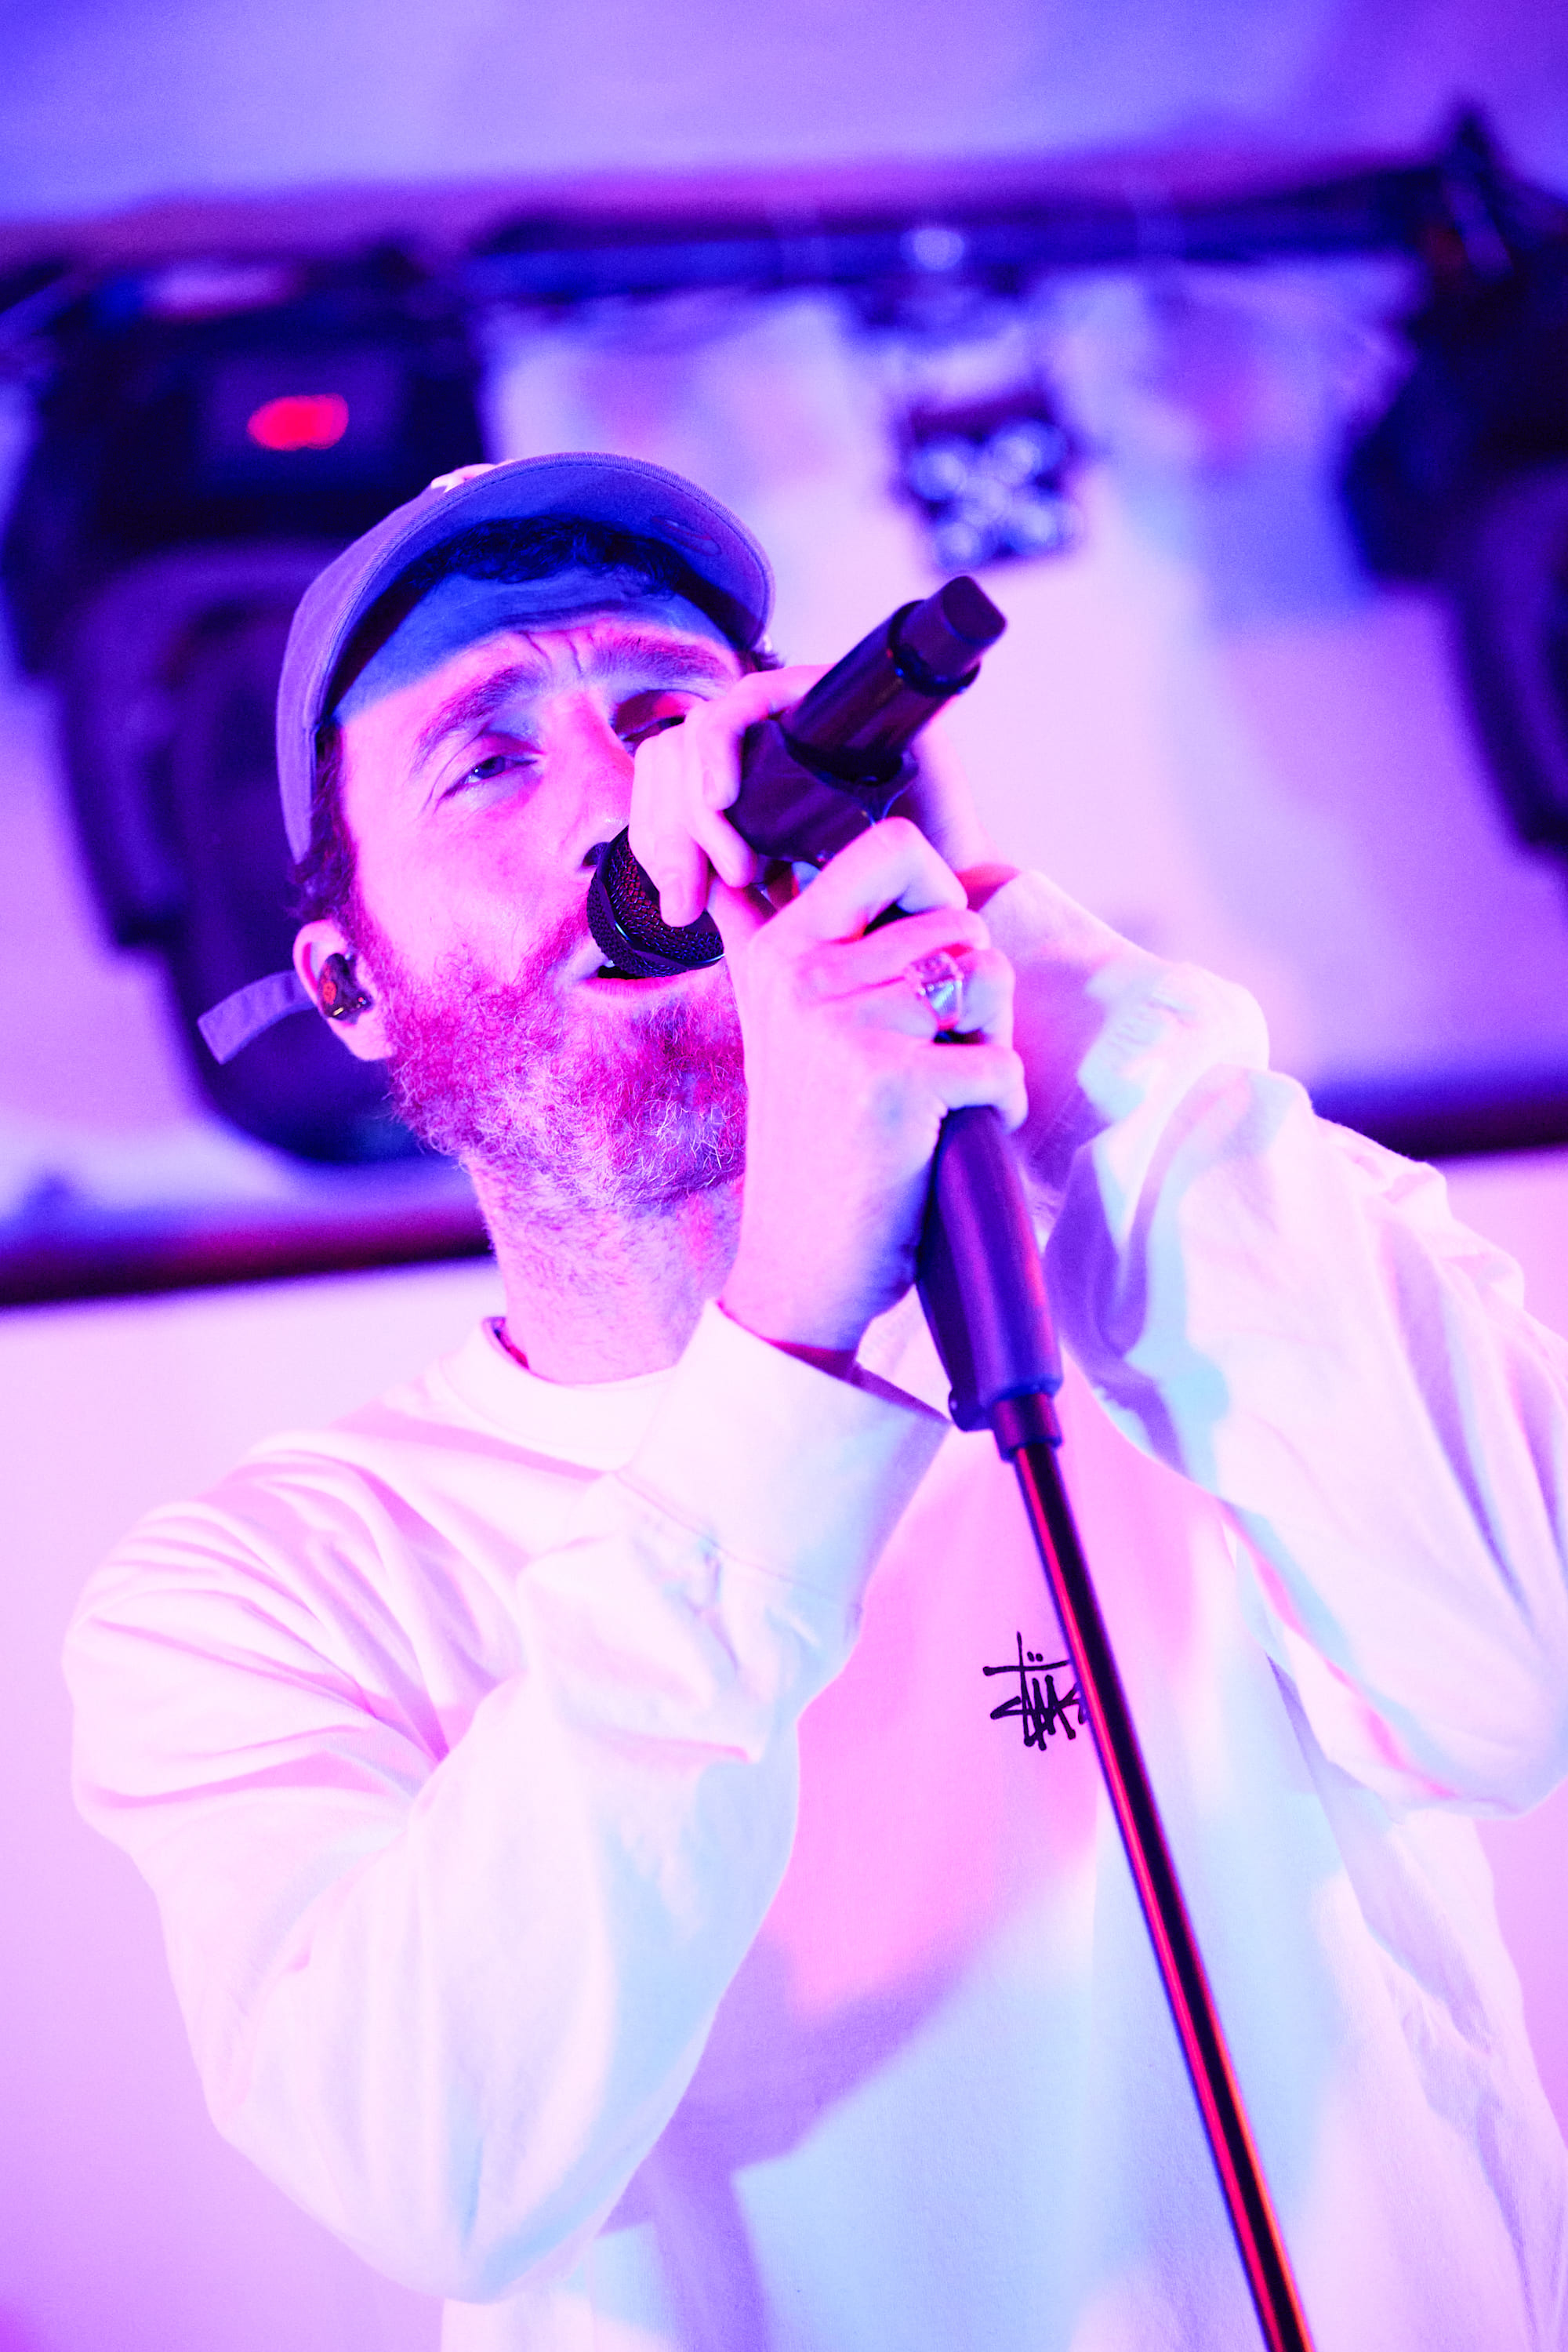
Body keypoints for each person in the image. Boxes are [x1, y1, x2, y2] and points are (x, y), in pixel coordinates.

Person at [66, 453, 1568, 2351]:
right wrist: (787, 1335)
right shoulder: (262, 1590)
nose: (623, 802)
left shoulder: (1170, 1258)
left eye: (669, 721)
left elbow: (1520, 1673)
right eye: (486, 761)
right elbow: (440, 2164)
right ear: (350, 984)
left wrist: (1039, 1001)